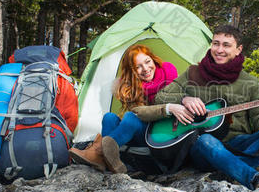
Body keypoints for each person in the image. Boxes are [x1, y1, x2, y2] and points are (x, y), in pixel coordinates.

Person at [154, 25, 259, 190]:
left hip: (238, 144)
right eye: (215, 43)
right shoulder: (192, 73)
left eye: (226, 45)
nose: (219, 50)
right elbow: (160, 97)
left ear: (238, 49)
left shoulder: (250, 82)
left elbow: (258, 124)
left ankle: (229, 169)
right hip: (202, 147)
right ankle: (252, 177)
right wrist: (184, 99)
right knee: (206, 141)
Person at [70, 44, 193, 173]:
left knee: (130, 117)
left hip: (159, 135)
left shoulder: (169, 74)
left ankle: (99, 152)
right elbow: (140, 113)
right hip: (139, 134)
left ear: (153, 59)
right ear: (132, 71)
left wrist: (169, 108)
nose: (145, 69)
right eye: (138, 67)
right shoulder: (131, 87)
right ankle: (108, 160)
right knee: (109, 118)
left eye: (147, 62)